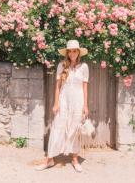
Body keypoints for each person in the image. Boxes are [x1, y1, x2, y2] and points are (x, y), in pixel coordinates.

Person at [35, 39, 89, 172]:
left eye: (74, 51)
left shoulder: (84, 67)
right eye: (70, 51)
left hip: (78, 101)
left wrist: (85, 106)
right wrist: (56, 103)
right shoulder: (61, 65)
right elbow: (58, 87)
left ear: (78, 52)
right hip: (64, 100)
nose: (72, 53)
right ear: (67, 52)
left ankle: (75, 159)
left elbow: (85, 88)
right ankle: (49, 160)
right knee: (57, 127)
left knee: (74, 129)